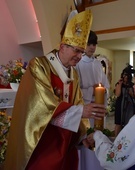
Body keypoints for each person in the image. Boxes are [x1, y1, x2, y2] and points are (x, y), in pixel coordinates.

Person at [4, 10, 106, 170]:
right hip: (43, 143)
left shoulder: (74, 75)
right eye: (76, 50)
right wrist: (80, 112)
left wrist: (84, 135)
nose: (80, 56)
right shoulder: (39, 66)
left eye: (82, 51)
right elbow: (42, 105)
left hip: (65, 143)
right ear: (63, 46)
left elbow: (78, 103)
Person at [76, 30, 110, 170]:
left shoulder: (97, 64)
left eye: (94, 44)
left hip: (98, 105)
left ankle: (97, 164)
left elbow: (106, 84)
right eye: (89, 44)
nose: (92, 47)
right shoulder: (78, 64)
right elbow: (76, 90)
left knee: (99, 135)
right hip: (86, 107)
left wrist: (103, 91)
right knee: (87, 136)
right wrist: (92, 90)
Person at [114, 64, 135, 136]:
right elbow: (117, 94)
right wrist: (120, 84)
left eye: (127, 75)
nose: (125, 77)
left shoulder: (132, 85)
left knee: (128, 122)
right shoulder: (119, 84)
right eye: (124, 75)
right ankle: (116, 139)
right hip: (120, 104)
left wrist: (131, 93)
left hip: (129, 106)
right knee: (118, 123)